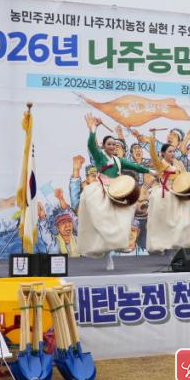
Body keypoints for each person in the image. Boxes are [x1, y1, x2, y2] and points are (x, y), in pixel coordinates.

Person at [77, 114, 156, 269]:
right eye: (109, 144)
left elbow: (135, 166)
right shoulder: (100, 157)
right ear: (104, 146)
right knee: (104, 222)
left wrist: (150, 171)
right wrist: (93, 129)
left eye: (114, 144)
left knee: (123, 218)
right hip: (102, 192)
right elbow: (91, 146)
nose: (112, 146)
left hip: (117, 192)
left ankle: (117, 245)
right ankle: (107, 255)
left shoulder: (118, 160)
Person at [145, 130, 190, 253]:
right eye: (170, 151)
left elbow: (184, 177)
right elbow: (153, 154)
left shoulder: (178, 164)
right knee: (164, 222)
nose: (173, 153)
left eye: (173, 151)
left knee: (180, 221)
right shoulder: (160, 164)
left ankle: (177, 244)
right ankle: (162, 245)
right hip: (164, 195)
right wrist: (152, 137)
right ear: (163, 154)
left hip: (177, 194)